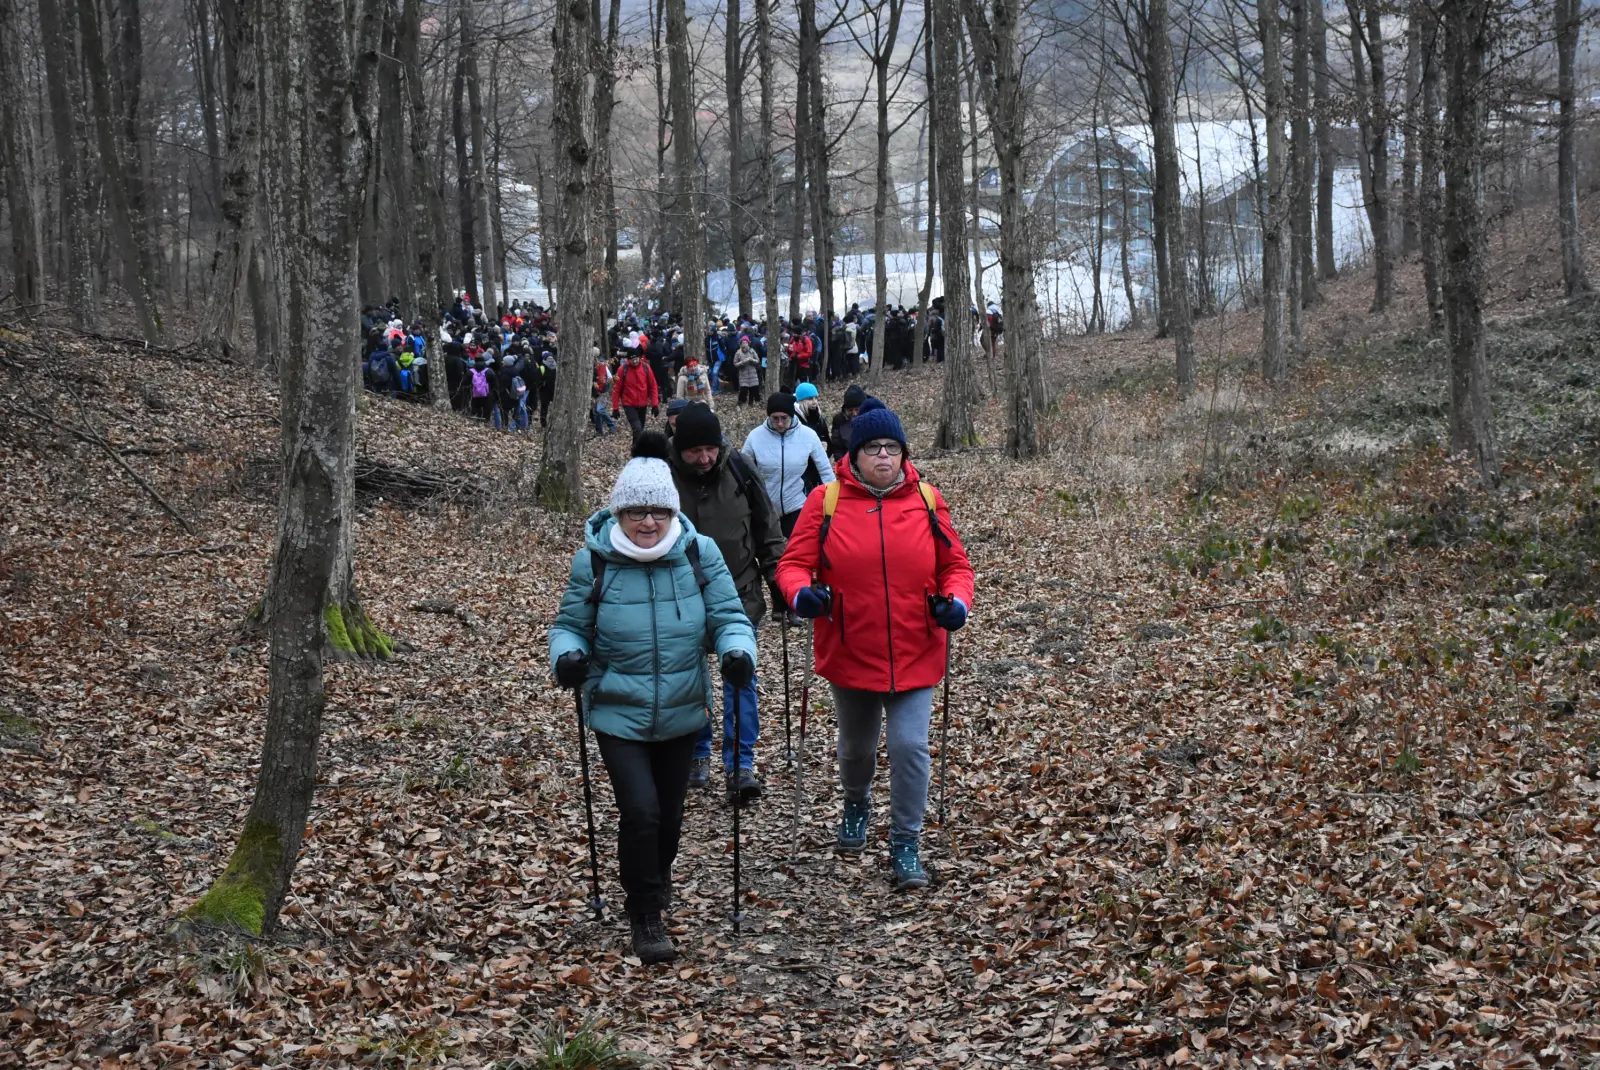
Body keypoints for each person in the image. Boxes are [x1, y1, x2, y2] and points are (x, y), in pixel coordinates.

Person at [549, 432, 757, 965]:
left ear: (672, 511)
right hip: (616, 708)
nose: (648, 522)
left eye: (659, 511)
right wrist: (568, 657)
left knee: (668, 817)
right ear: (619, 513)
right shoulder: (595, 561)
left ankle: (655, 880)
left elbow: (729, 617)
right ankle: (644, 912)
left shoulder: (698, 553)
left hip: (683, 708)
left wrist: (737, 652)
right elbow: (570, 626)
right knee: (640, 812)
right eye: (637, 512)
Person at [776, 398, 975, 890]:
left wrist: (957, 602)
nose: (883, 456)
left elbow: (956, 566)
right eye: (873, 448)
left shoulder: (927, 500)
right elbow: (793, 564)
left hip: (916, 647)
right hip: (851, 649)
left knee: (910, 746)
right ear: (855, 454)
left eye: (892, 447)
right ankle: (856, 802)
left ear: (903, 453)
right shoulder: (825, 501)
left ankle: (906, 840)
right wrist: (801, 594)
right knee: (856, 748)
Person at [668, 404, 786, 800]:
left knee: (740, 674)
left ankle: (740, 764)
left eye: (710, 449)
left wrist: (778, 579)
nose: (704, 458)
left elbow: (767, 527)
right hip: (680, 597)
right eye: (694, 451)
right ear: (678, 448)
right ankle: (697, 751)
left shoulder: (739, 468)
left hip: (740, 593)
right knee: (690, 678)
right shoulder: (662, 476)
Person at [741, 392, 835, 537]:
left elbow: (825, 469)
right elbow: (742, 468)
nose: (779, 423)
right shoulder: (755, 436)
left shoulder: (808, 435)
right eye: (775, 418)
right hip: (766, 506)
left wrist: (833, 501)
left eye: (784, 418)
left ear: (791, 415)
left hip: (797, 505)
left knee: (796, 546)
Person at [612, 351, 661, 437]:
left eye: (636, 359)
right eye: (632, 360)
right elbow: (616, 389)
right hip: (628, 404)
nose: (635, 361)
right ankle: (638, 445)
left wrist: (655, 404)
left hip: (643, 403)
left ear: (639, 358)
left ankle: (636, 445)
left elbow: (653, 386)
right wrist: (615, 408)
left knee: (640, 430)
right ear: (628, 360)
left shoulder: (646, 368)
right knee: (637, 428)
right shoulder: (622, 369)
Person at [829, 383, 866, 461]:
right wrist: (843, 463)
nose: (854, 413)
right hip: (848, 462)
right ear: (845, 409)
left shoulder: (872, 419)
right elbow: (837, 447)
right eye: (850, 410)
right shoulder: (839, 420)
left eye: (857, 409)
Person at [733, 335, 762, 405]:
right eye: (743, 343)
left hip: (753, 374)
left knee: (754, 389)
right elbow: (735, 364)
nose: (744, 344)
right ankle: (741, 402)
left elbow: (758, 361)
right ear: (740, 344)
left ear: (748, 343)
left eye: (746, 343)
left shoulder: (752, 351)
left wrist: (752, 360)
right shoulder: (738, 353)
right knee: (743, 389)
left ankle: (752, 402)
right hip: (743, 375)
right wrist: (743, 362)